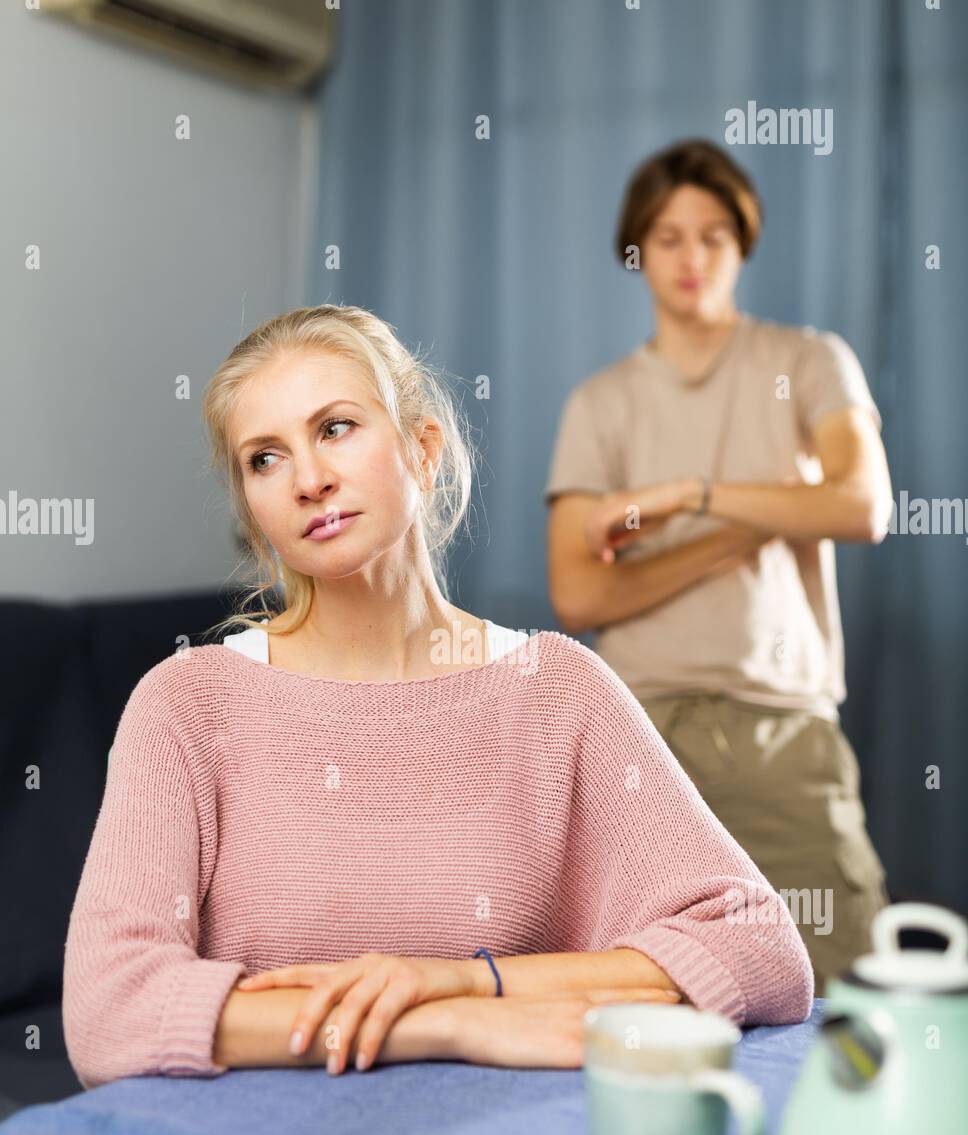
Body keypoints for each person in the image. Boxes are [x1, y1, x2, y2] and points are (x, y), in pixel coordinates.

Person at [62, 303, 812, 1091]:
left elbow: (759, 948)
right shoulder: (186, 704)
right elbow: (109, 1008)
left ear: (423, 450)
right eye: (264, 458)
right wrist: (447, 1023)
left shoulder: (557, 690)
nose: (309, 480)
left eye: (336, 428)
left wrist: (468, 979)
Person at [544, 139, 894, 993]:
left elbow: (860, 506)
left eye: (712, 235)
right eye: (668, 238)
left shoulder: (810, 362)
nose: (692, 258)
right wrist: (757, 520)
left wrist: (687, 494)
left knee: (848, 989)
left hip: (783, 733)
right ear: (637, 251)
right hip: (640, 736)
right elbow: (579, 593)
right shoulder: (601, 403)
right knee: (642, 992)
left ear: (743, 244)